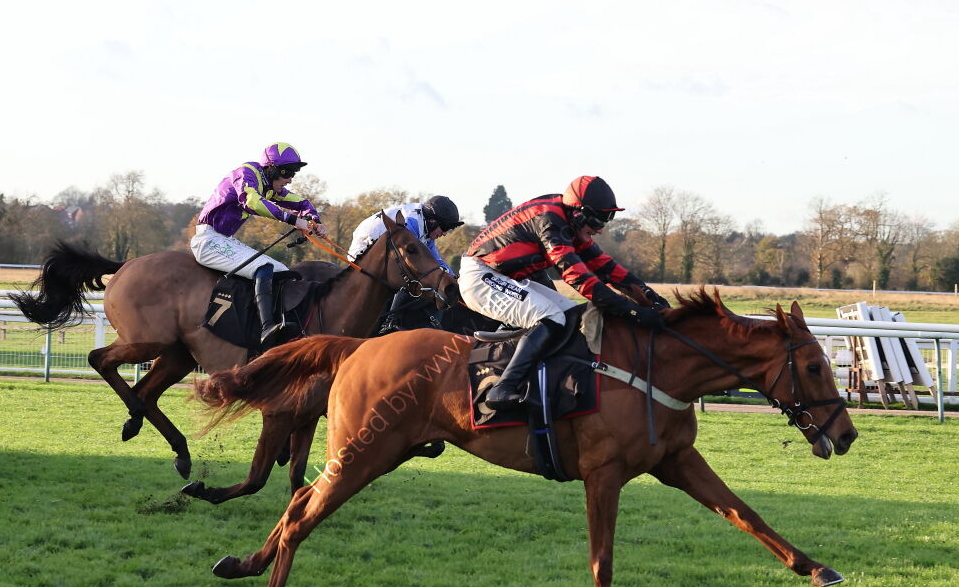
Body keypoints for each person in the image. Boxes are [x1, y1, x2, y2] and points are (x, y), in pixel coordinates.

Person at [459, 175, 669, 409]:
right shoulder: (551, 222)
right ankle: (503, 388)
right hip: (480, 275)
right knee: (552, 317)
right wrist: (632, 312)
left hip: (504, 276)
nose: (600, 230)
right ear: (577, 212)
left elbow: (608, 268)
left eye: (606, 220)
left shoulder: (569, 223)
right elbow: (578, 278)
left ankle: (557, 382)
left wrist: (654, 299)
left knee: (572, 315)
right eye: (597, 221)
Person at [192, 142, 329, 346]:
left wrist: (314, 221)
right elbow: (252, 202)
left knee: (281, 271)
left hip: (223, 239)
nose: (290, 179)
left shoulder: (269, 186)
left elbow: (302, 204)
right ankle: (266, 329)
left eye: (293, 173)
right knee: (264, 267)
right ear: (271, 168)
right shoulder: (246, 174)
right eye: (287, 172)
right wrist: (293, 220)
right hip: (208, 240)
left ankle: (276, 324)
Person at [347, 196, 463, 334]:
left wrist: (454, 278)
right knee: (413, 274)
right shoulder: (411, 222)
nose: (444, 233)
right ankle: (391, 321)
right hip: (363, 252)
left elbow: (435, 260)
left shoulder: (425, 226)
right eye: (445, 227)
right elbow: (411, 261)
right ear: (432, 221)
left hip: (384, 252)